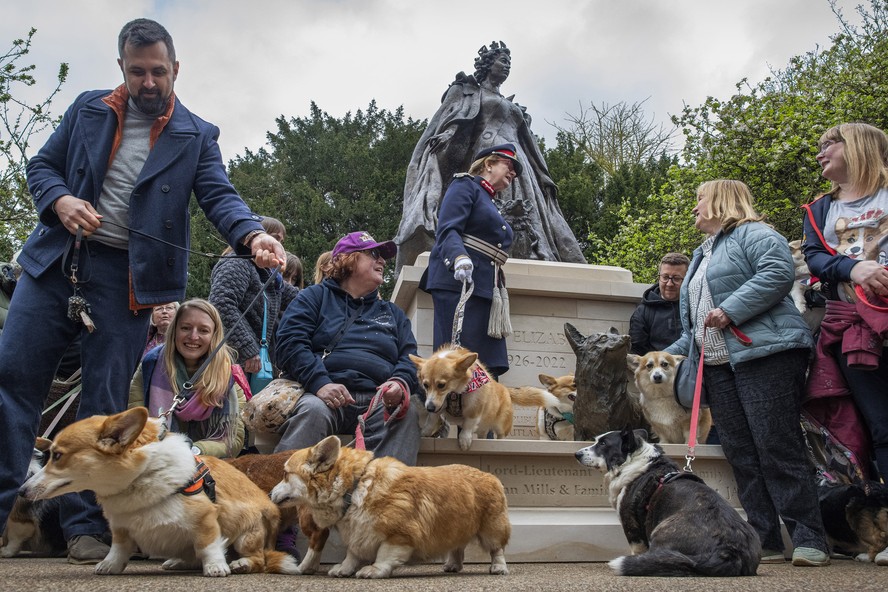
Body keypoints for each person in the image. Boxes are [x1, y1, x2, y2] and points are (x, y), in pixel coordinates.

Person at [0, 18, 285, 564]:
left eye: (159, 71)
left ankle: (88, 527)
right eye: (138, 71)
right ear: (122, 69)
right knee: (12, 382)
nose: (149, 82)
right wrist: (59, 200)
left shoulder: (196, 135)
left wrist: (252, 236)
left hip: (126, 281)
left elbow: (219, 196)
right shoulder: (87, 108)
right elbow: (41, 167)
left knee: (108, 406)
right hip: (56, 262)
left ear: (176, 70)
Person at [665, 179, 828, 567]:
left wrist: (731, 310)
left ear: (721, 201)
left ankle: (810, 538)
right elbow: (694, 329)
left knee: (777, 445)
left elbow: (777, 272)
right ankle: (765, 538)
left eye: (699, 200)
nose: (694, 209)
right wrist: (653, 356)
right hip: (720, 366)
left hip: (765, 355)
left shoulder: (755, 233)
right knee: (740, 453)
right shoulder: (703, 252)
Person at [394, 41, 584, 271]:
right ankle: (490, 248)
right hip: (490, 159)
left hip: (518, 161)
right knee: (491, 201)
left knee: (527, 208)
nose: (507, 66)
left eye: (509, 63)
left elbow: (528, 142)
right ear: (487, 63)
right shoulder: (467, 90)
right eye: (502, 61)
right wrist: (448, 134)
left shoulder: (512, 105)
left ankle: (532, 251)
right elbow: (451, 117)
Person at [273, 231, 420, 464]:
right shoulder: (313, 297)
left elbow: (410, 358)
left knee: (406, 413)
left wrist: (399, 382)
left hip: (377, 400)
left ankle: (387, 496)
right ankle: (280, 489)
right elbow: (290, 343)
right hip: (321, 395)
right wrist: (320, 383)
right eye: (374, 254)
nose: (382, 261)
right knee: (313, 412)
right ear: (347, 259)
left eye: (382, 256)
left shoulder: (393, 314)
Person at [802, 122, 888, 481]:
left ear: (856, 147)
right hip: (851, 329)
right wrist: (853, 270)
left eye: (829, 145)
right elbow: (815, 257)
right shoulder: (819, 209)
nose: (820, 153)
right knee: (879, 425)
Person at [421, 144, 519, 378]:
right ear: (489, 163)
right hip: (459, 283)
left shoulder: (489, 200)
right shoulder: (464, 186)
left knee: (485, 368)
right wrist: (458, 257)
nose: (513, 173)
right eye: (509, 165)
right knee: (456, 365)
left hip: (485, 287)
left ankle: (482, 414)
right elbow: (447, 229)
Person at [129, 299, 245, 458]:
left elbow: (234, 440)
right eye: (185, 328)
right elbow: (134, 423)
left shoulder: (226, 376)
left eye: (203, 330)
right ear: (174, 330)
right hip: (156, 456)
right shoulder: (149, 366)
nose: (193, 336)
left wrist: (193, 450)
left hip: (208, 464)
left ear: (214, 336)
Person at [209, 216, 286, 378]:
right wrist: (247, 347)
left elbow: (296, 296)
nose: (279, 245)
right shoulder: (237, 263)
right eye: (276, 238)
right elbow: (221, 304)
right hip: (236, 359)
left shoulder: (267, 274)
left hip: (253, 362)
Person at [629, 252, 690, 355]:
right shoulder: (643, 312)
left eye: (676, 279)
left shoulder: (694, 307)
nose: (670, 284)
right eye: (665, 277)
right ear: (659, 277)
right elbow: (637, 351)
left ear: (688, 279)